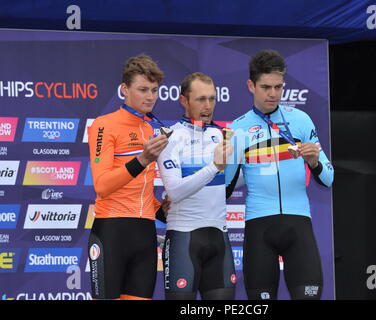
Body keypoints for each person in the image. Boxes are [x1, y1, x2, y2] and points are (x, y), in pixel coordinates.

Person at [225, 50, 334, 300]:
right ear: (251, 86)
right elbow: (224, 190)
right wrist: (220, 164)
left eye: (278, 87)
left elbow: (328, 178)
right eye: (266, 87)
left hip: (299, 224)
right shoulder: (237, 129)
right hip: (259, 226)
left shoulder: (301, 120)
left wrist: (315, 162)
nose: (273, 93)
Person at [87, 54, 169, 300]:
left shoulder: (149, 129)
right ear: (124, 89)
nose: (150, 96)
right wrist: (142, 159)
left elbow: (139, 191)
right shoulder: (104, 125)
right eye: (143, 89)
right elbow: (102, 185)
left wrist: (163, 208)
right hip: (112, 231)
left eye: (154, 90)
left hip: (145, 233)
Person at [157, 72, 236, 300]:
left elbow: (232, 183)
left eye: (212, 98)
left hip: (219, 237)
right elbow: (175, 191)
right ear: (184, 101)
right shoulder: (170, 138)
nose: (208, 106)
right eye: (201, 99)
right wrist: (214, 166)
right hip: (184, 237)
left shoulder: (222, 135)